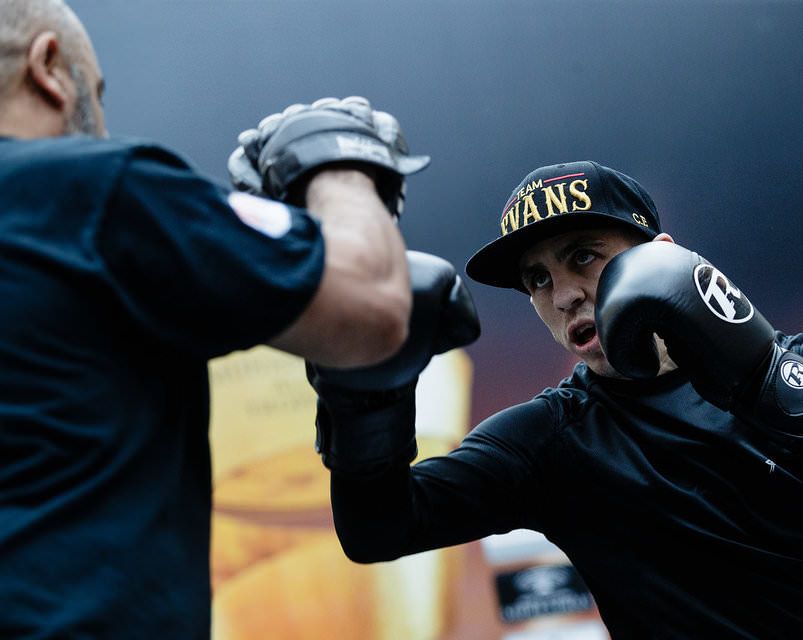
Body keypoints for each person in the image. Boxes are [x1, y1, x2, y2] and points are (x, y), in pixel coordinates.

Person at [0, 0, 479, 637]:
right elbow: (372, 303)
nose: (102, 124)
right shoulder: (94, 188)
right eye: (97, 93)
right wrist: (338, 158)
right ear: (49, 67)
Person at [309, 160, 803, 638]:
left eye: (584, 257)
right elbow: (378, 529)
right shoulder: (550, 439)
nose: (563, 295)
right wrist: (363, 393)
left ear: (661, 259)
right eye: (538, 279)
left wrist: (757, 374)